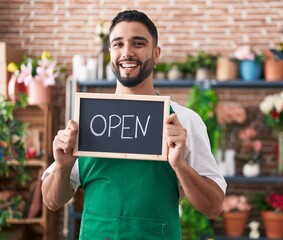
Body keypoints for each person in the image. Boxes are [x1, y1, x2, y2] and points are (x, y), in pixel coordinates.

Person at [41, 10, 227, 239]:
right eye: (118, 44)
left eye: (138, 43)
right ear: (111, 53)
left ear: (156, 54)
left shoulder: (184, 121)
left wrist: (180, 165)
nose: (127, 52)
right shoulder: (87, 119)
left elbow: (214, 207)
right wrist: (62, 166)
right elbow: (51, 201)